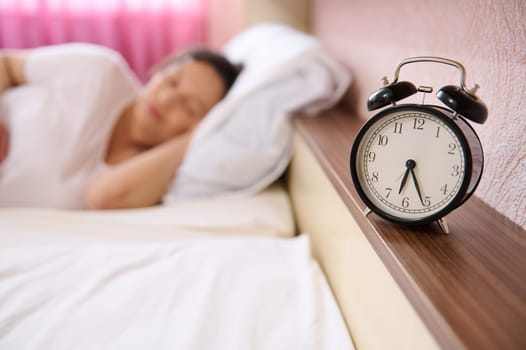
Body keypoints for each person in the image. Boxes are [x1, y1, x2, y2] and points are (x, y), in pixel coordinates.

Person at [0, 43, 241, 209]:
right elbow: (7, 64)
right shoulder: (100, 72)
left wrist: (195, 137)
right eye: (172, 81)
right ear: (158, 71)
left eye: (189, 107)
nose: (167, 100)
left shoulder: (152, 175)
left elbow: (103, 198)